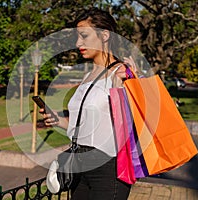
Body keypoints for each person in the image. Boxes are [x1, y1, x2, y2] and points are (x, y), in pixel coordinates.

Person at [40, 8, 134, 200]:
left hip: (108, 168)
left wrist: (132, 80)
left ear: (105, 35)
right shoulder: (87, 76)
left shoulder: (121, 72)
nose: (77, 43)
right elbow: (88, 127)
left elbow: (131, 125)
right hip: (80, 164)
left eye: (84, 36)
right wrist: (59, 121)